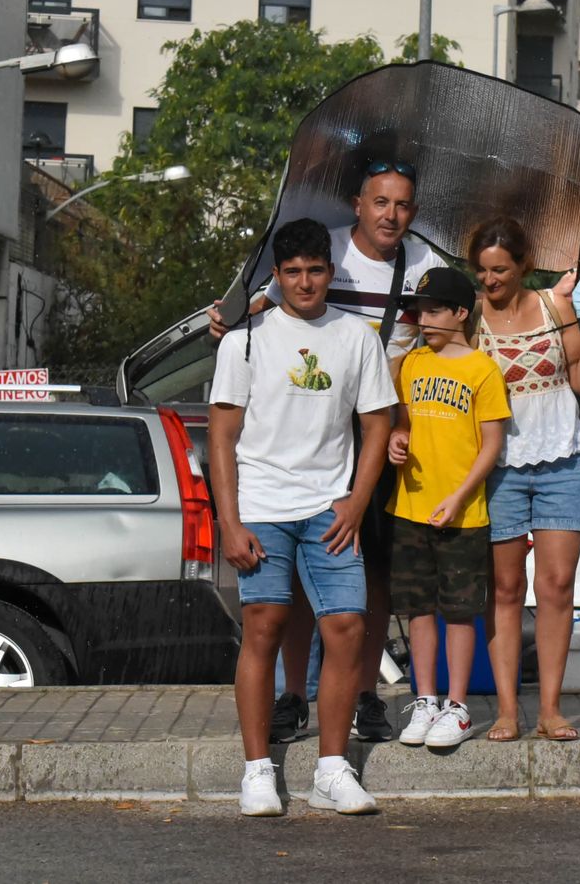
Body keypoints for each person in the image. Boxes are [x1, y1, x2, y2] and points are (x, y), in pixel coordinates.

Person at [210, 159, 447, 744]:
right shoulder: (323, 249)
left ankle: (366, 694)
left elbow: (446, 338)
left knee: (373, 581)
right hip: (310, 431)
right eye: (381, 202)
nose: (392, 215)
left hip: (385, 428)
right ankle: (295, 694)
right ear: (359, 204)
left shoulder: (427, 264)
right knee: (287, 584)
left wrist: (406, 420)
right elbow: (268, 313)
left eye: (403, 204)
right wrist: (231, 326)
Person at [209, 218, 394, 817]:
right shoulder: (244, 339)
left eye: (316, 269)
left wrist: (358, 500)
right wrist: (230, 523)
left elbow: (377, 425)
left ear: (330, 270)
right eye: (293, 271)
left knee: (345, 627)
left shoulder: (357, 337)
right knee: (264, 624)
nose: (306, 281)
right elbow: (221, 436)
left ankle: (332, 771)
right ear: (277, 275)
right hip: (261, 505)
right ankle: (257, 771)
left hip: (330, 507)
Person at [467, 216, 580, 744]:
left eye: (501, 270)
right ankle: (507, 710)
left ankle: (550, 709)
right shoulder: (468, 321)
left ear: (523, 266)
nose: (491, 281)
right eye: (483, 271)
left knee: (556, 586)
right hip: (497, 466)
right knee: (504, 590)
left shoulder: (556, 307)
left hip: (561, 459)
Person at [385, 268, 510, 748]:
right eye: (420, 312)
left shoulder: (482, 370)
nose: (424, 320)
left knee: (459, 612)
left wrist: (459, 496)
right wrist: (398, 438)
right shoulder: (412, 363)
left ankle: (457, 705)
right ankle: (425, 699)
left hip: (463, 514)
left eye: (434, 311)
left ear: (461, 312)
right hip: (410, 506)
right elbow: (401, 421)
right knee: (418, 609)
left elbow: (491, 445)